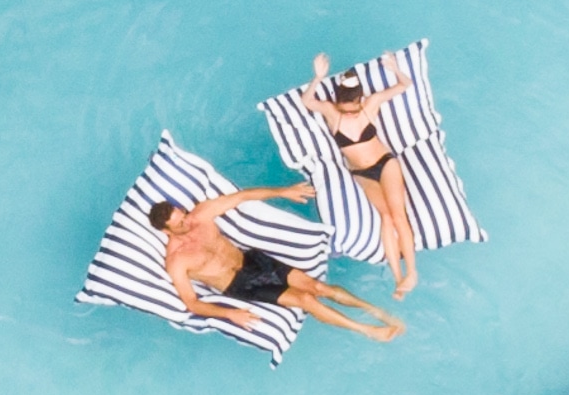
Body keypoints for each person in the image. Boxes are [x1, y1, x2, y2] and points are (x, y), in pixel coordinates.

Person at [151, 184, 404, 343]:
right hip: (240, 284)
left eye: (182, 213)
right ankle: (367, 330)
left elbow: (242, 196)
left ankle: (374, 310)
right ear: (167, 231)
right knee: (307, 300)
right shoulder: (177, 260)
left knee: (318, 287)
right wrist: (229, 313)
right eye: (180, 223)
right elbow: (191, 302)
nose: (187, 221)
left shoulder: (200, 214)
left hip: (253, 259)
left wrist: (282, 191)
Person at [306, 53, 420, 293]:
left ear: (360, 99)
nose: (351, 113)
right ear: (338, 103)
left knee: (398, 216)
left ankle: (411, 272)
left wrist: (395, 69)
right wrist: (317, 78)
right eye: (346, 109)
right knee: (386, 218)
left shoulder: (370, 104)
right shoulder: (331, 112)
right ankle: (398, 278)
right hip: (362, 172)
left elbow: (404, 85)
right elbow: (307, 101)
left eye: (354, 107)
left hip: (385, 163)